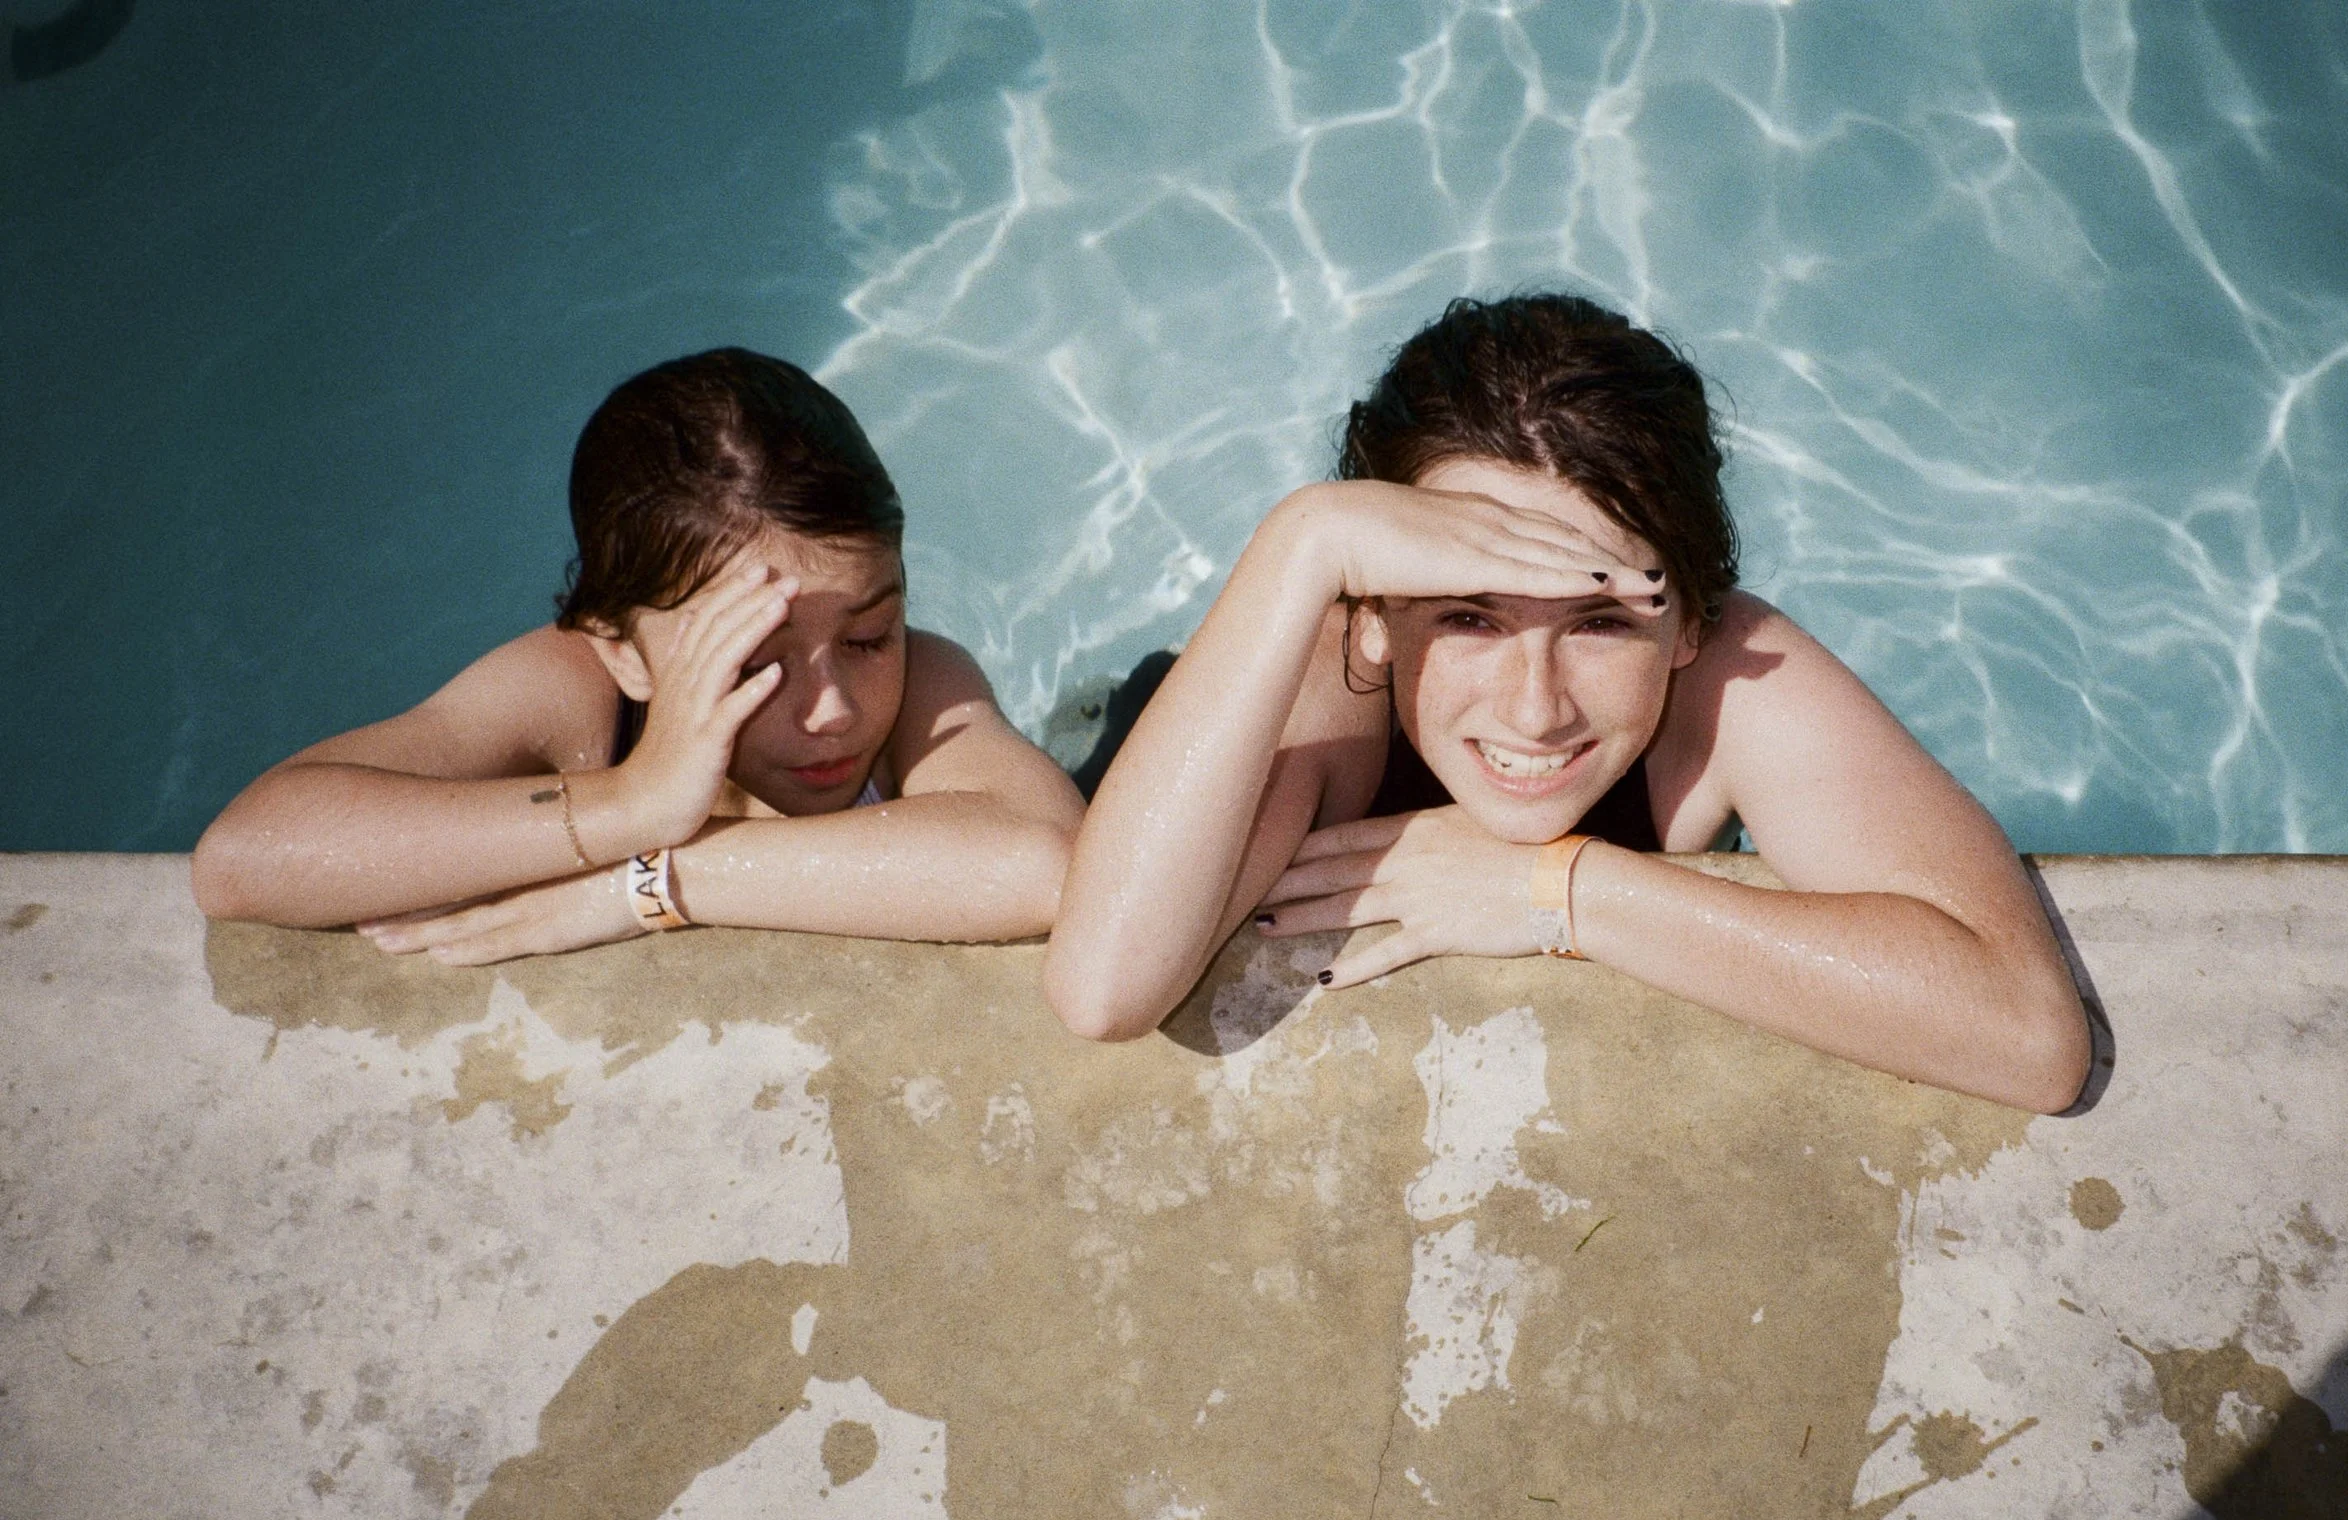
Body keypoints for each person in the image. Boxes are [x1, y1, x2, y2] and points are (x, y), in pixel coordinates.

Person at [1045, 295, 2091, 1115]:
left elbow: (2028, 1038)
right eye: (1468, 617)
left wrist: (1561, 889)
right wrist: (1304, 539)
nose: (1535, 710)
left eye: (1599, 622)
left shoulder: (1727, 669)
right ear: (1369, 615)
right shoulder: (1332, 675)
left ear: (1686, 620)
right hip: (1148, 738)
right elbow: (1103, 989)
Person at [192, 348, 1082, 960]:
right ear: (626, 655)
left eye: (867, 636)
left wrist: (650, 881)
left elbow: (1051, 864)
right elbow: (247, 857)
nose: (835, 707)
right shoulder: (576, 700)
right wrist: (628, 800)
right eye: (751, 662)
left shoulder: (927, 685)